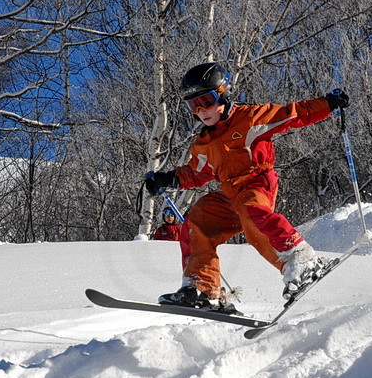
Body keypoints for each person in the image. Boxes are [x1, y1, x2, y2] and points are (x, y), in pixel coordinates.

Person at [144, 61, 349, 312]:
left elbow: (294, 114)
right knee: (197, 221)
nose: (201, 111)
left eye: (206, 101)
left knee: (252, 213)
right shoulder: (203, 143)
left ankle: (303, 260)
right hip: (228, 193)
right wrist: (168, 179)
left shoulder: (250, 118)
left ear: (222, 93)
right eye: (193, 106)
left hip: (257, 182)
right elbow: (197, 173)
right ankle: (202, 288)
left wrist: (327, 104)